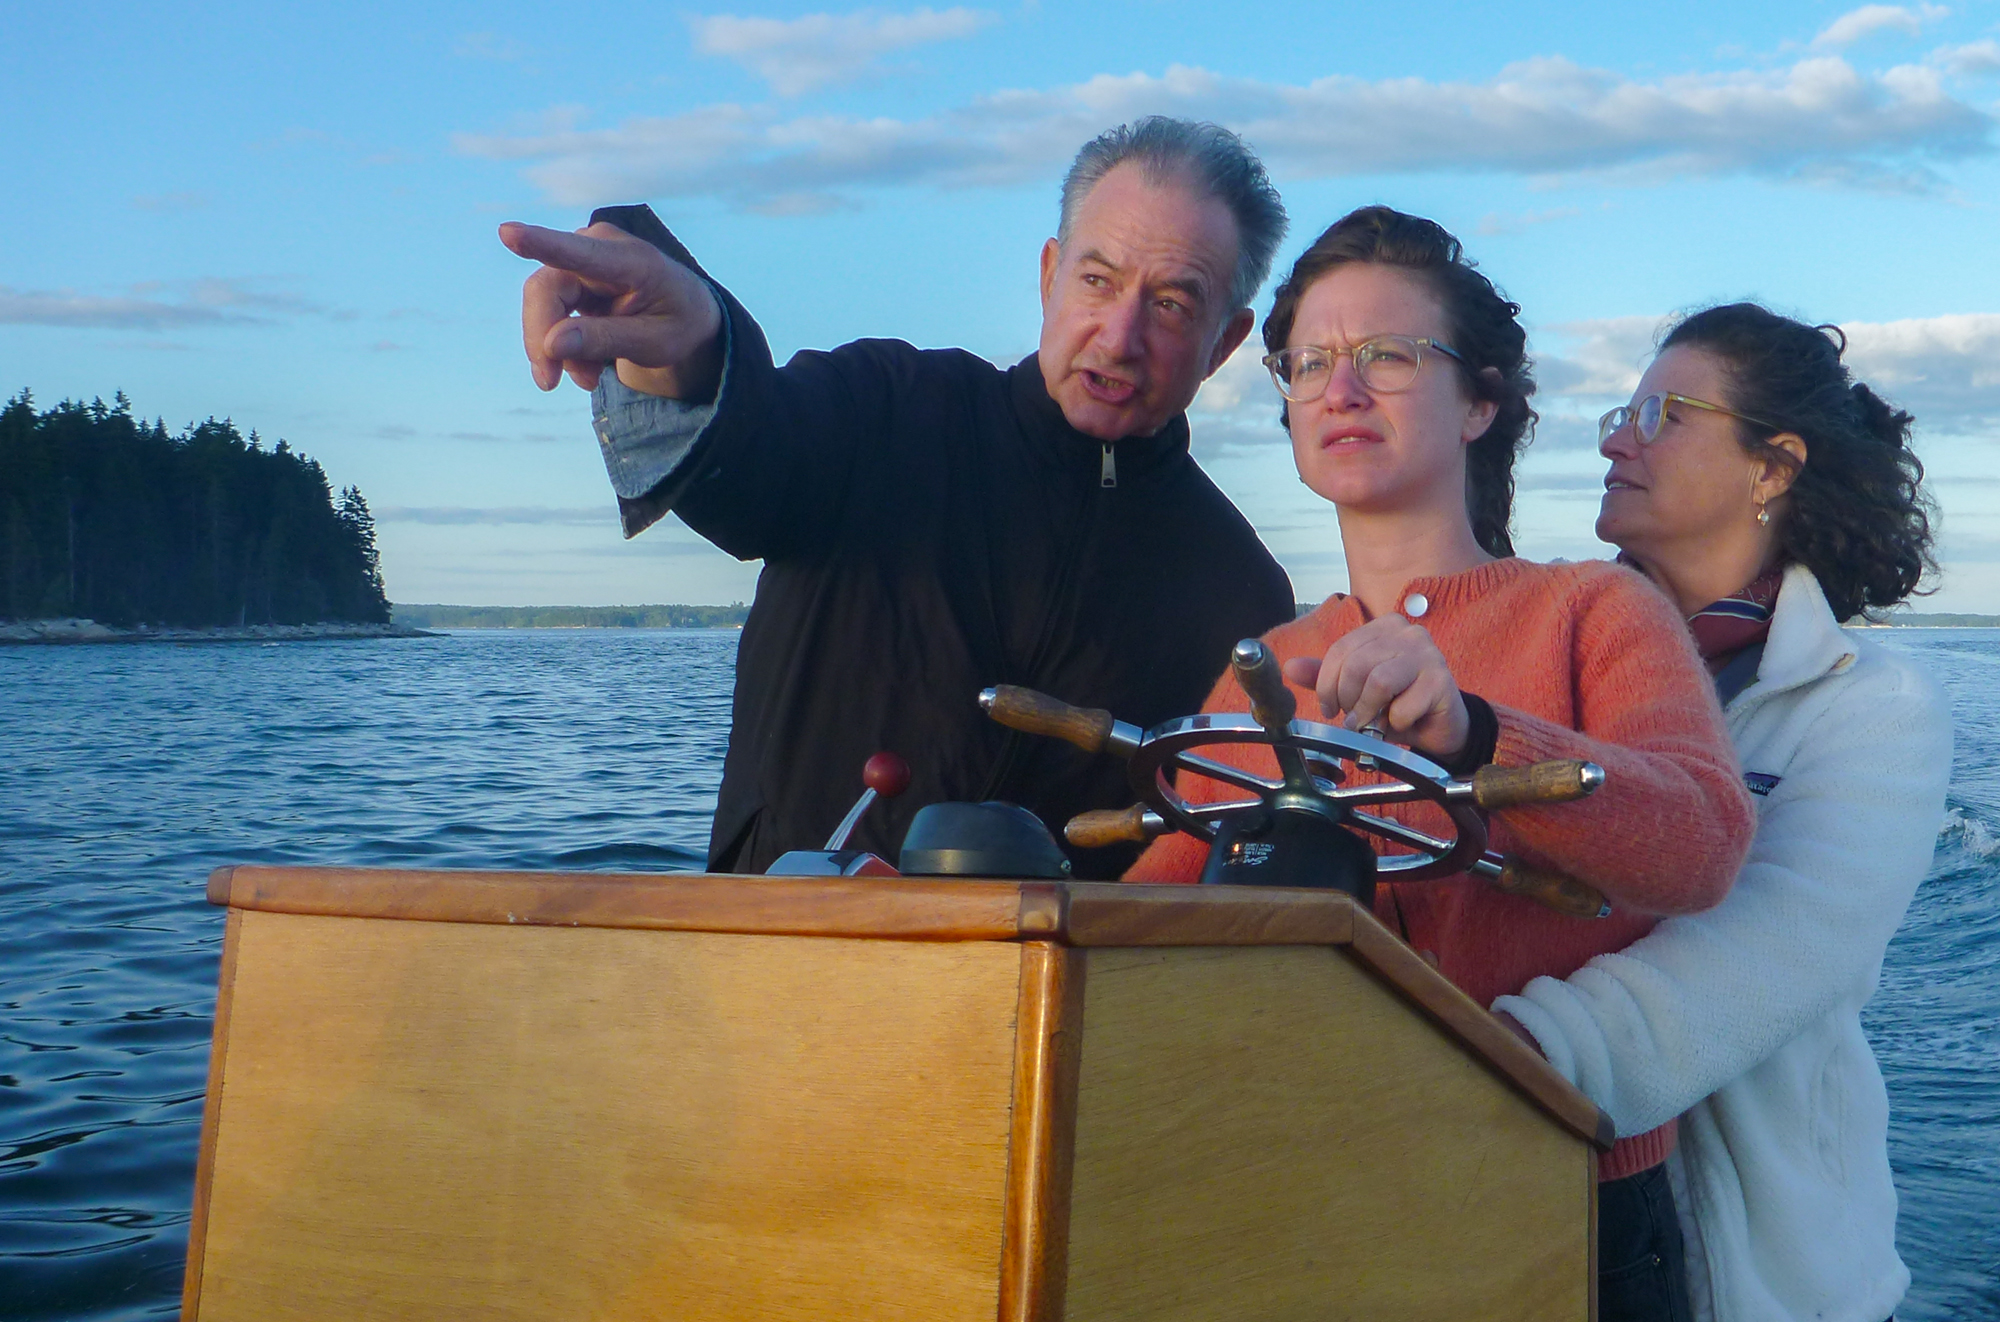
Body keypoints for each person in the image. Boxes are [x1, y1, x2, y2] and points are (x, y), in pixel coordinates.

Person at [1123, 206, 1757, 1321]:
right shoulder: (1265, 667)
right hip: (1311, 1194)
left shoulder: (1591, 610)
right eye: (1309, 361)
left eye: (1387, 355)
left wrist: (1474, 731)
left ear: (1480, 401)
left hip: (1563, 1195)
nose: (1339, 387)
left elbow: (1702, 842)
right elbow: (1146, 933)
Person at [498, 118, 1297, 876]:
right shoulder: (883, 406)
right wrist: (691, 349)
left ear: (1224, 341)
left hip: (1060, 1004)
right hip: (775, 961)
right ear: (1051, 275)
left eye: (1170, 304)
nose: (1119, 336)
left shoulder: (1242, 592)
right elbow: (751, 453)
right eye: (1098, 279)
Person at [1491, 304, 1952, 1322]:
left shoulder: (1865, 706)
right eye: (1621, 411)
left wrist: (1467, 1060)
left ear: (1771, 466)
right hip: (1526, 1234)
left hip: (1770, 1284)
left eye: (1662, 413)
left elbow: (1757, 961)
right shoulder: (1539, 669)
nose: (1614, 436)